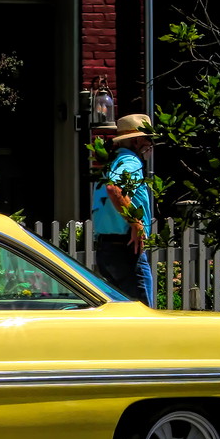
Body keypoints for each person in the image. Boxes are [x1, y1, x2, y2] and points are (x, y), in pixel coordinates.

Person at [90, 113, 155, 304]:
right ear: (136, 140)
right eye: (148, 139)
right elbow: (114, 189)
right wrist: (136, 223)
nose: (151, 144)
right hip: (126, 249)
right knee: (141, 316)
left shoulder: (112, 163)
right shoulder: (130, 161)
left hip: (107, 249)